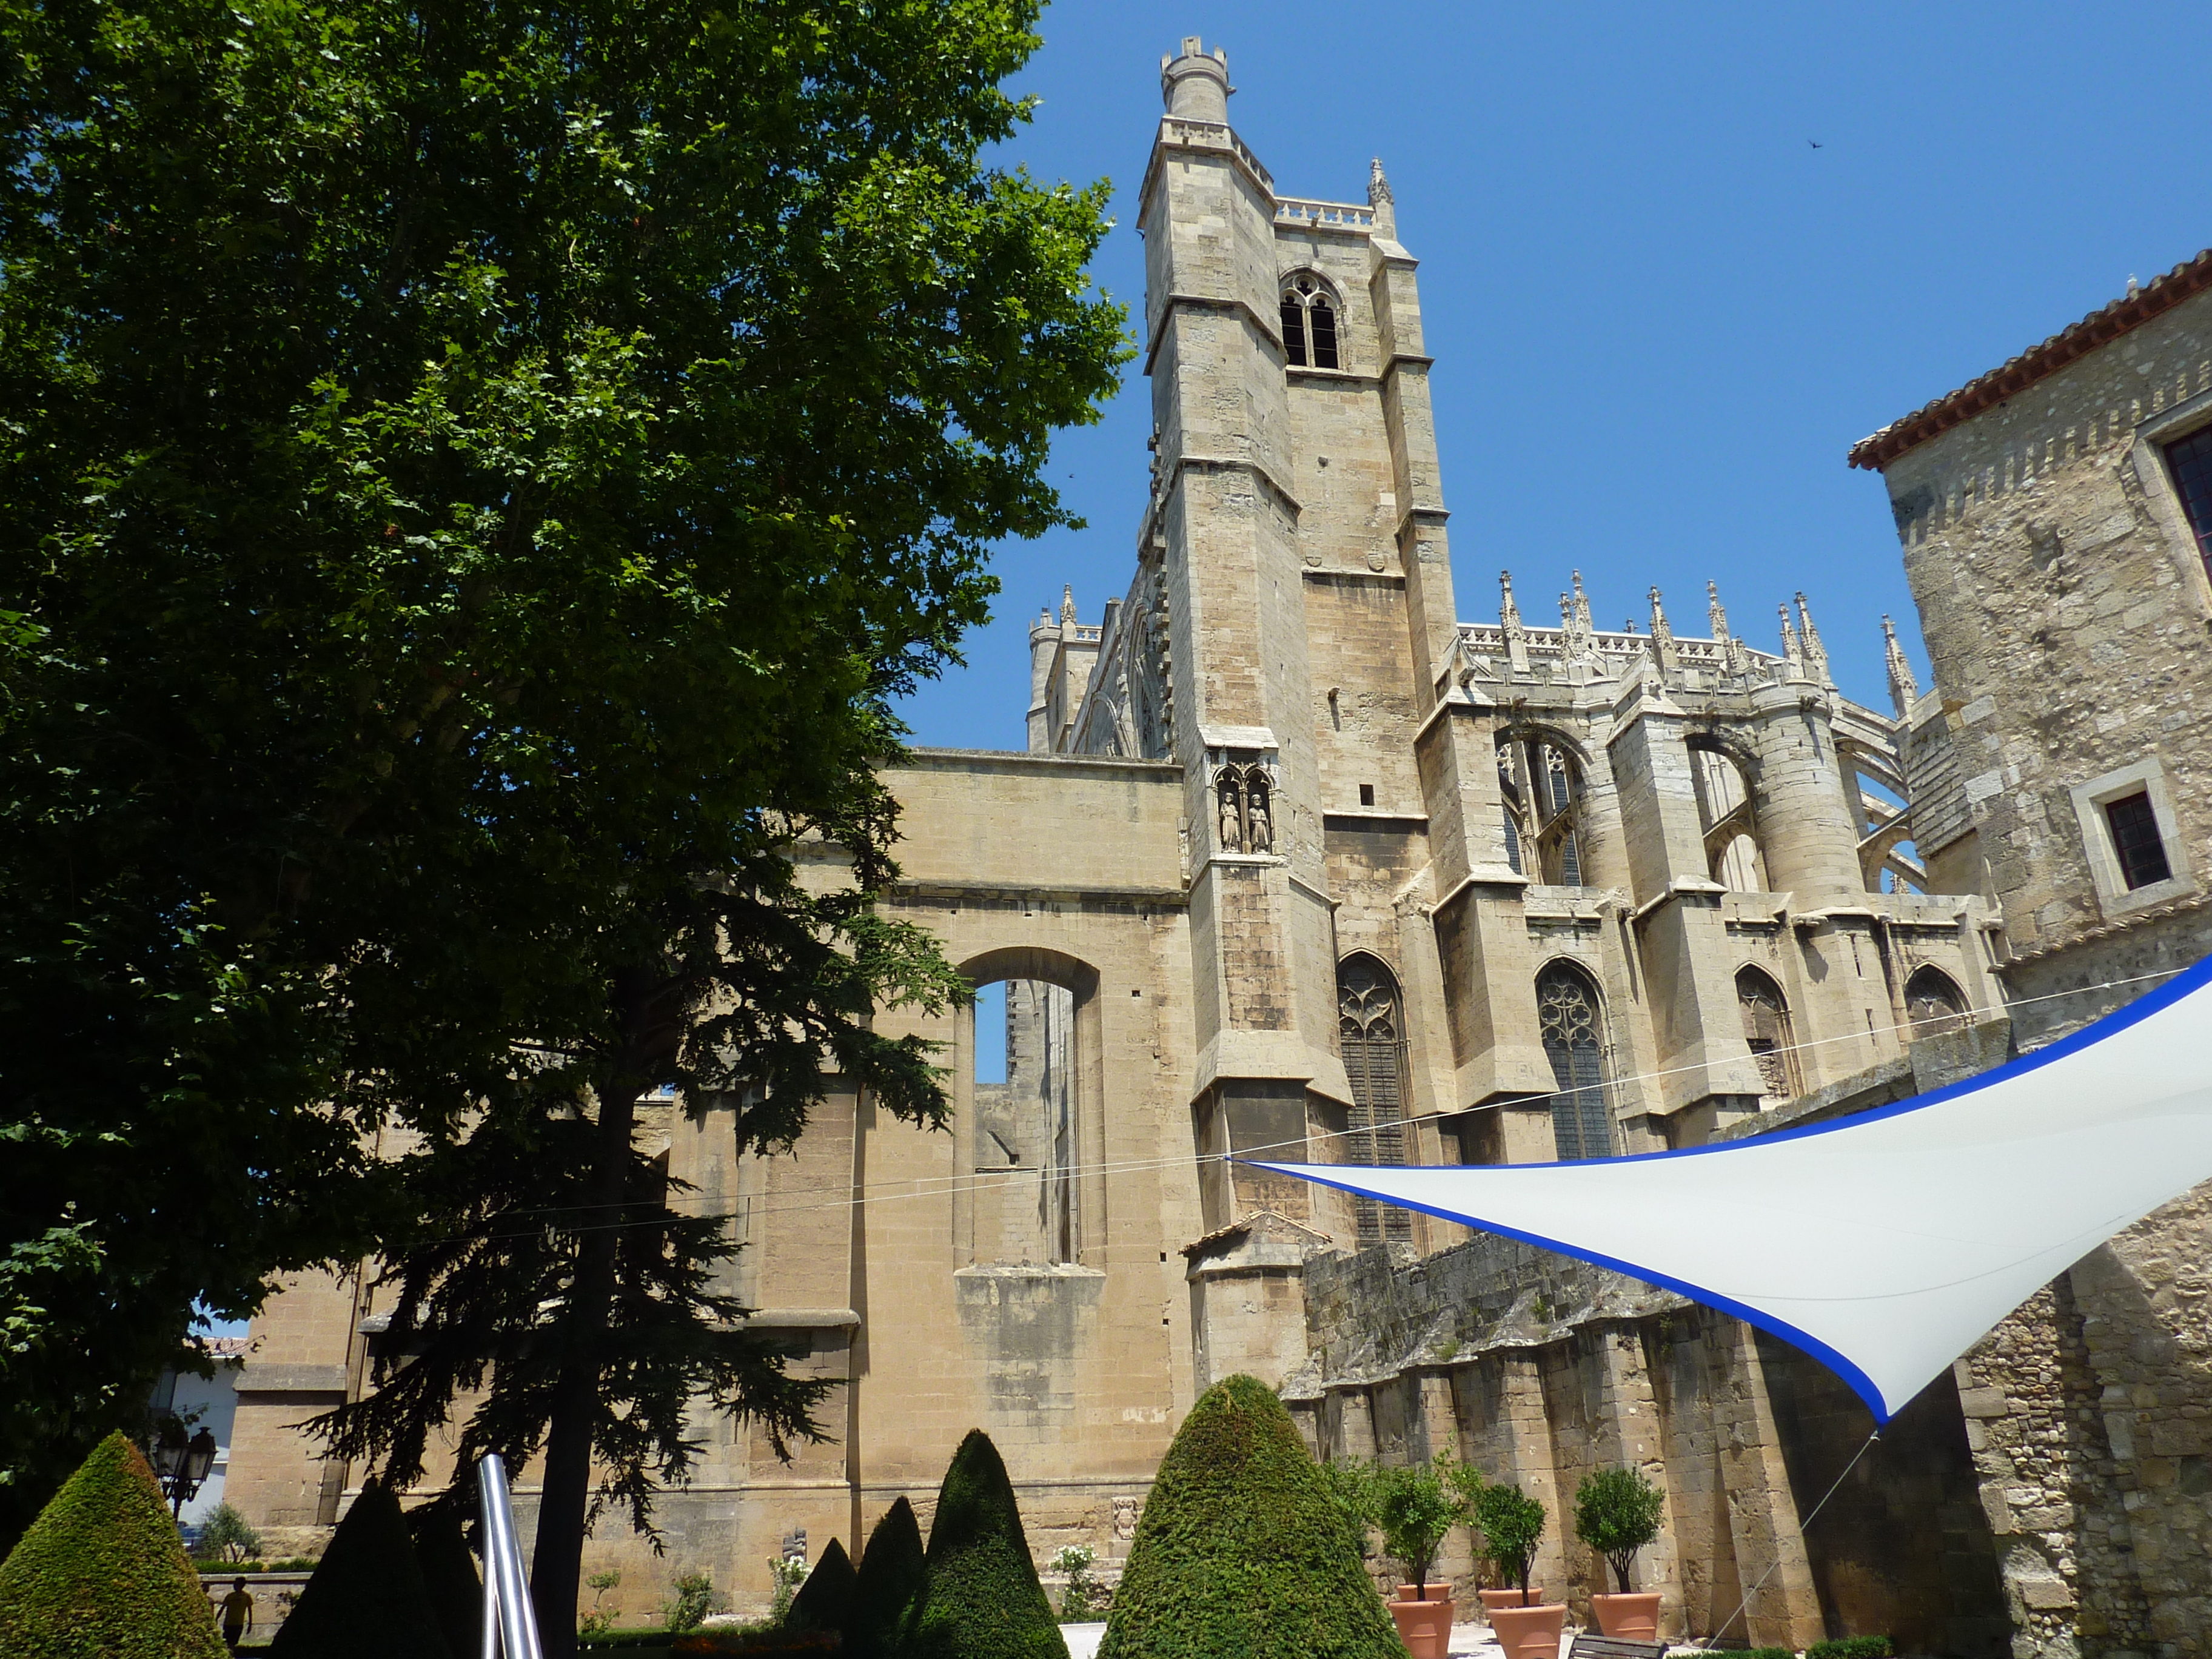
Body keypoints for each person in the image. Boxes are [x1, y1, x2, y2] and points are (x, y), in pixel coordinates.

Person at [220, 1578, 254, 1651]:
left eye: (237, 1584)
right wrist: (216, 1619)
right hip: (228, 1623)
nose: (235, 1586)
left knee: (233, 1643)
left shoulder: (246, 1597)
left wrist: (250, 1624)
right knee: (226, 1642)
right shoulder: (230, 1596)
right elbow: (223, 1608)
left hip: (238, 1623)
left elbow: (250, 1611)